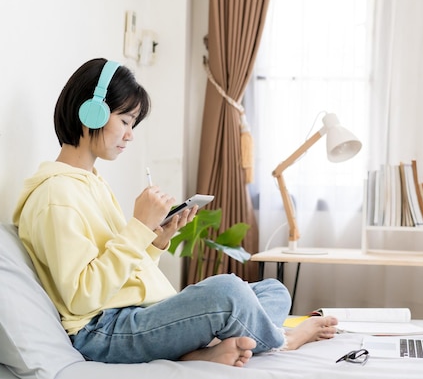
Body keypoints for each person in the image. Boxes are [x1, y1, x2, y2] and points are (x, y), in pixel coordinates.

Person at [12, 58, 337, 367]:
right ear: (92, 113)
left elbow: (120, 273)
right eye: (125, 121)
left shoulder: (91, 183)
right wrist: (138, 226)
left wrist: (154, 241)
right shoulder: (56, 194)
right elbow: (83, 297)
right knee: (229, 292)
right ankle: (284, 339)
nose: (130, 134)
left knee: (272, 290)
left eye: (133, 124)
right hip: (102, 331)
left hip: (133, 313)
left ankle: (202, 351)